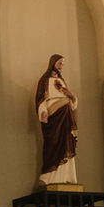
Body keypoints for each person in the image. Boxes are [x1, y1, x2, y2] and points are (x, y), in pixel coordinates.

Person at [35, 54, 78, 187]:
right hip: (54, 117)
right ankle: (48, 177)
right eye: (59, 63)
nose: (61, 67)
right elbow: (40, 99)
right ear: (53, 63)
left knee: (66, 143)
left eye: (62, 64)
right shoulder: (45, 80)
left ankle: (67, 177)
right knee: (53, 143)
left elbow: (72, 103)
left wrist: (71, 96)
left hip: (66, 116)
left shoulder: (62, 81)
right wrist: (43, 112)